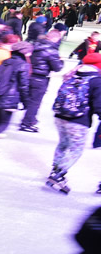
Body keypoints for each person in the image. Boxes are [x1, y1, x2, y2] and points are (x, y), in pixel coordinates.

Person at [45, 53, 101, 195]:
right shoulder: (97, 81)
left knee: (63, 144)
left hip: (60, 117)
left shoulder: (73, 75)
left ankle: (55, 169)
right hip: (79, 121)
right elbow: (98, 104)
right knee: (76, 149)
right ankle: (58, 175)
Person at [20, 30, 63, 133]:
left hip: (28, 74)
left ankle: (31, 118)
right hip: (40, 78)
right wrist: (61, 61)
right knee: (35, 102)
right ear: (55, 39)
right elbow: (57, 67)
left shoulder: (35, 44)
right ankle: (27, 123)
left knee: (29, 99)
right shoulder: (52, 50)